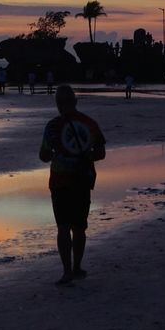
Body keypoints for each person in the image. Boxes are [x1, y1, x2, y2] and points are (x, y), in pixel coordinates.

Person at [39, 85, 106, 285]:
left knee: (63, 227)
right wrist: (85, 157)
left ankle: (67, 271)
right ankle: (77, 267)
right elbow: (100, 153)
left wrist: (55, 155)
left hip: (60, 181)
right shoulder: (90, 124)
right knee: (79, 227)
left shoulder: (52, 126)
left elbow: (43, 155)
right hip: (82, 181)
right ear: (75, 101)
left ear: (58, 104)